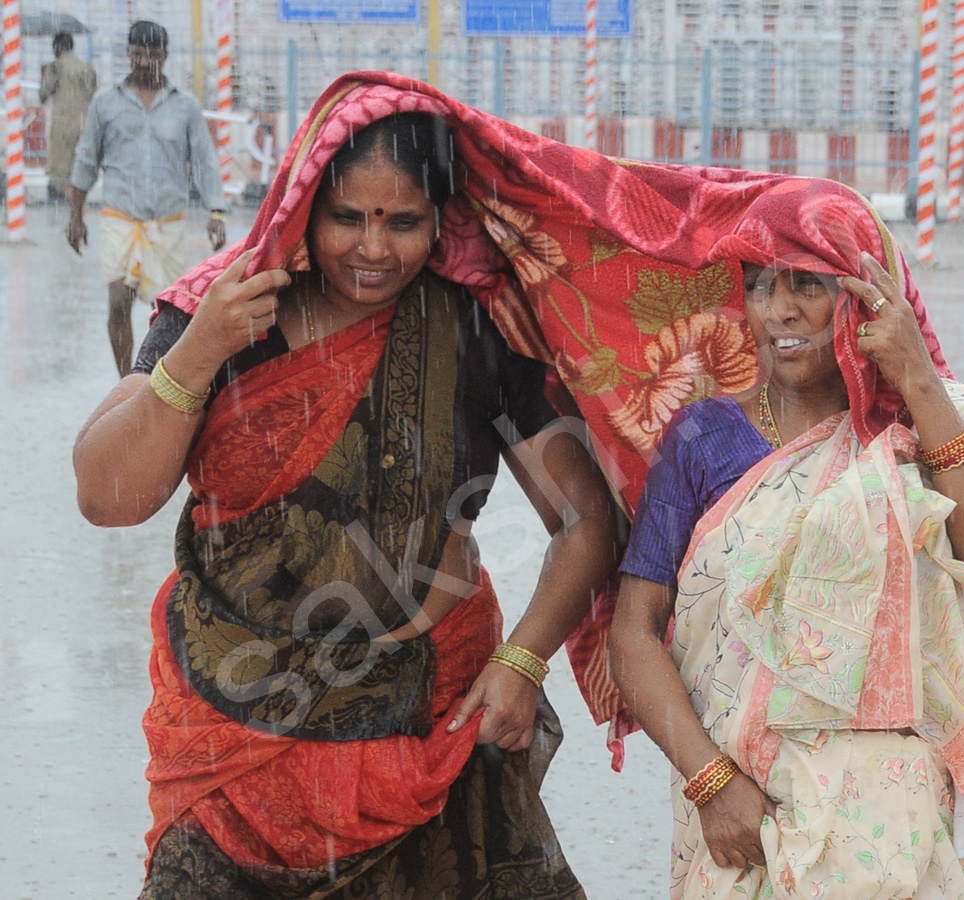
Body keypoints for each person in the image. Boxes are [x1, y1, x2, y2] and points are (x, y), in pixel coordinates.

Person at [73, 91, 620, 896]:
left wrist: (523, 661)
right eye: (346, 218)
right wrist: (197, 353)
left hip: (425, 737)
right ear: (302, 210)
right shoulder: (223, 315)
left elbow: (584, 521)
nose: (374, 248)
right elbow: (106, 494)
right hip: (232, 743)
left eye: (403, 222)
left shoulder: (473, 331)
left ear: (442, 220)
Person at [609, 181, 964, 899]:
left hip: (896, 829)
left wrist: (917, 378)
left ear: (866, 296)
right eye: (758, 287)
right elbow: (632, 633)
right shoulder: (703, 439)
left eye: (807, 285)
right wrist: (711, 782)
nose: (778, 310)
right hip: (744, 817)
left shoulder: (919, 432)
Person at [67, 20, 227, 378]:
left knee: (173, 312)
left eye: (152, 55)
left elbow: (203, 162)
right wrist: (75, 214)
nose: (143, 62)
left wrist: (216, 211)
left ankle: (164, 382)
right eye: (137, 54)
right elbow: (86, 159)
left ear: (165, 57)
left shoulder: (185, 107)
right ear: (128, 55)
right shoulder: (105, 103)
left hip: (167, 224)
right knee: (118, 302)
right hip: (120, 218)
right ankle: (127, 383)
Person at [37, 30, 96, 202]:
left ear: (57, 47)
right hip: (83, 123)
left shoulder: (55, 67)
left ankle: (61, 199)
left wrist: (43, 75)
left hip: (63, 124)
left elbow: (43, 96)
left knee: (60, 166)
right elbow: (94, 94)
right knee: (79, 163)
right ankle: (78, 198)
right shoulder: (86, 67)